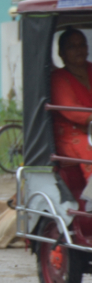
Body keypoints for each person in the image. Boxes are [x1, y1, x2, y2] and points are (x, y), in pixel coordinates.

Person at [50, 28, 92, 184]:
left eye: (82, 45)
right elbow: (72, 111)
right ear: (62, 53)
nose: (78, 50)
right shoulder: (58, 79)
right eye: (72, 46)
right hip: (71, 133)